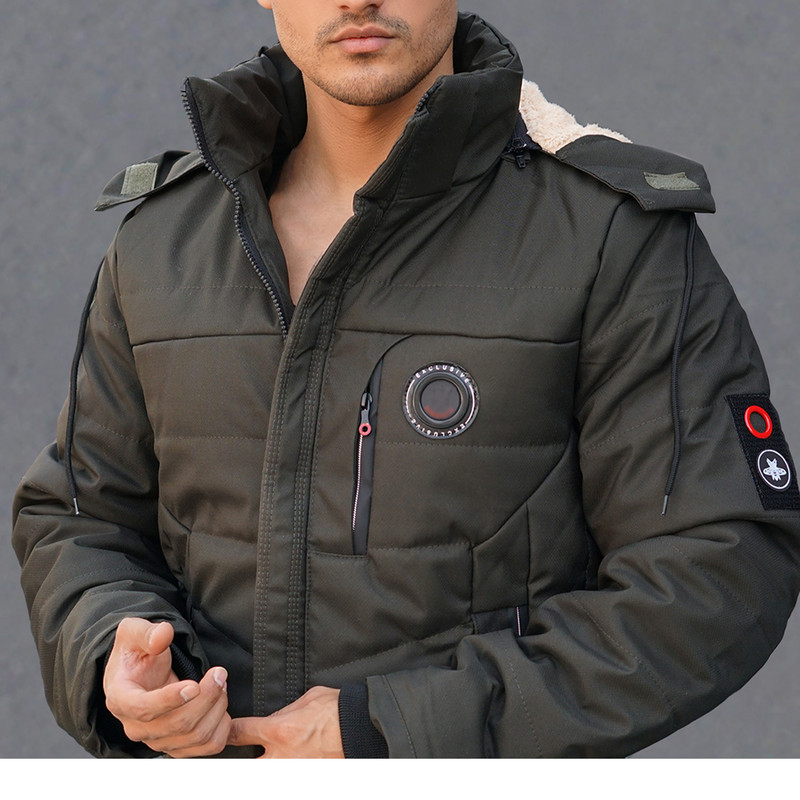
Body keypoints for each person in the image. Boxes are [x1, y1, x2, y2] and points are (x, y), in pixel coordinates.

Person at [12, 0, 800, 759]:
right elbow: (81, 518)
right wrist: (114, 655)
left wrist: (394, 734)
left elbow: (721, 565)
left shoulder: (607, 234)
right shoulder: (162, 240)